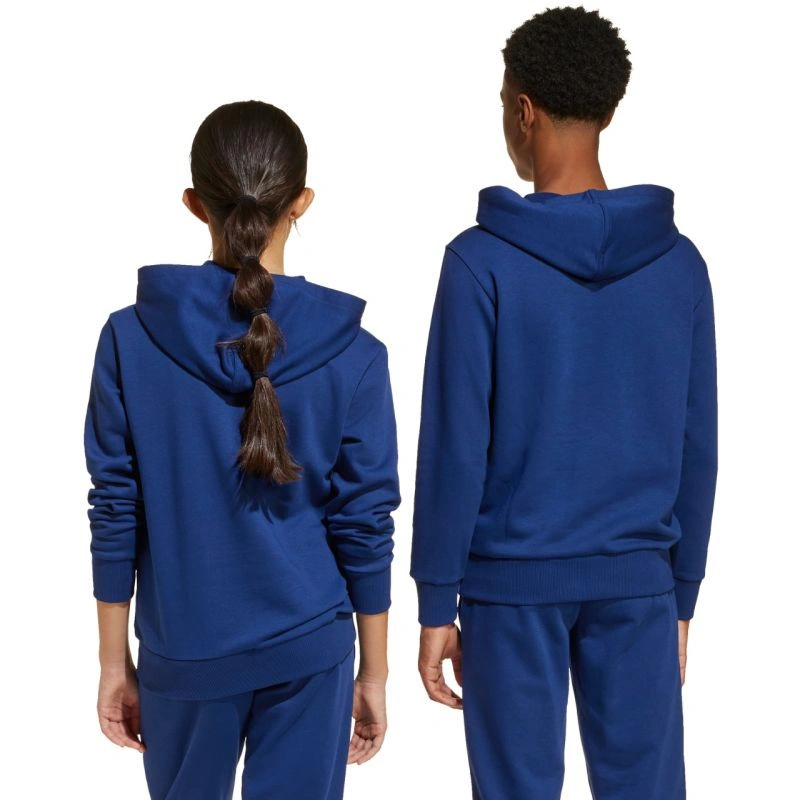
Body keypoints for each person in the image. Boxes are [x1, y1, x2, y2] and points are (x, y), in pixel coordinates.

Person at [410, 7, 717, 799]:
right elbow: (698, 444)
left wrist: (436, 600)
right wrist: (681, 592)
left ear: (523, 111)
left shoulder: (478, 263)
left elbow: (454, 446)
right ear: (608, 112)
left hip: (509, 586)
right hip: (639, 582)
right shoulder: (680, 266)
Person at [84, 100, 400, 800]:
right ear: (302, 202)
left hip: (183, 655)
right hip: (310, 651)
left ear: (196, 204)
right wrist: (373, 673)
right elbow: (364, 524)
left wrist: (113, 662)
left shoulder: (130, 340)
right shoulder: (355, 354)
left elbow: (115, 509)